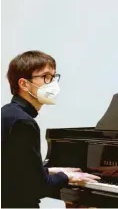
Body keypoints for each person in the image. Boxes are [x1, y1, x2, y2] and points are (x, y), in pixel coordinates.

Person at [1, 50, 100, 208]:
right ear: (24, 84)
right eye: (46, 77)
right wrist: (66, 177)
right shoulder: (23, 123)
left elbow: (17, 171)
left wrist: (50, 170)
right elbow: (37, 187)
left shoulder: (8, 113)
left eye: (54, 77)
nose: (53, 83)